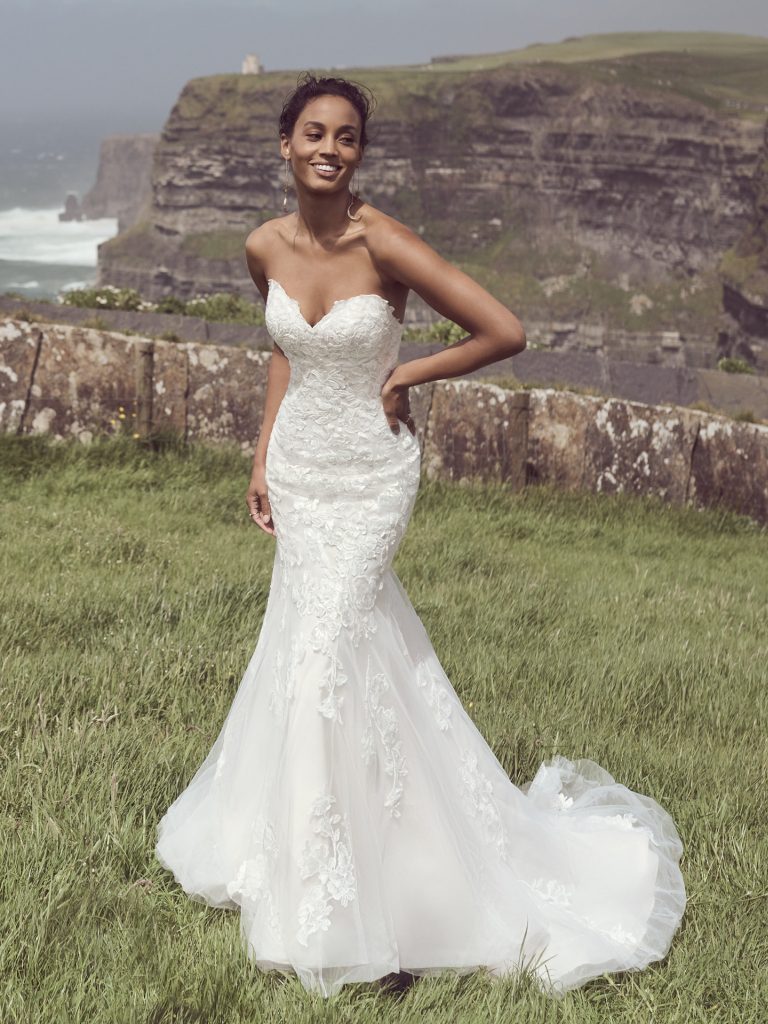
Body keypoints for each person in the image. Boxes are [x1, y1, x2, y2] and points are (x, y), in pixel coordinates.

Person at [155, 72, 686, 999]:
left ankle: (364, 908)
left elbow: (503, 329)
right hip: (302, 472)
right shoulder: (261, 246)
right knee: (326, 654)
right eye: (314, 133)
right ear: (284, 145)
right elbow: (284, 349)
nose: (331, 148)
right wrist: (260, 451)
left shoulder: (384, 239)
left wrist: (408, 377)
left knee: (327, 651)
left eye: (348, 137)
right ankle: (330, 854)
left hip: (370, 476)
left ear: (359, 152)